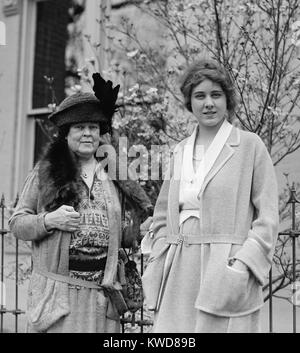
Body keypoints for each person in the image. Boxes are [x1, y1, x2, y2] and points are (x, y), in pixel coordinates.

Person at [142, 58, 279, 333]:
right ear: (189, 102)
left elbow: (268, 217)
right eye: (199, 96)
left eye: (216, 95)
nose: (208, 103)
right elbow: (162, 215)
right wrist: (159, 253)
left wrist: (243, 264)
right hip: (179, 271)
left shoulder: (250, 146)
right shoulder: (179, 151)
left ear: (227, 100)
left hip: (225, 270)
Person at [9, 73, 153, 333]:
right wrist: (48, 220)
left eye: (94, 127)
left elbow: (123, 234)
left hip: (102, 299)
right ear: (66, 134)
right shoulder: (47, 172)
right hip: (58, 301)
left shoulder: (112, 176)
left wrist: (139, 231)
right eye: (80, 127)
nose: (88, 133)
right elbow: (17, 223)